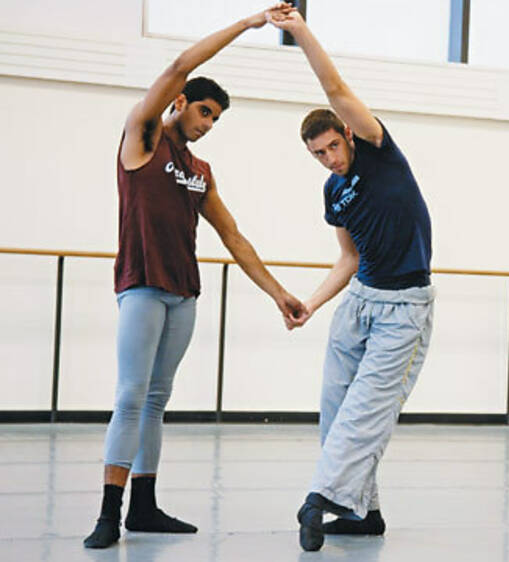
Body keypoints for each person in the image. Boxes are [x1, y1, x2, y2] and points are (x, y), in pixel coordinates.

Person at [83, 3, 305, 549]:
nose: (207, 125)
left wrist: (279, 294)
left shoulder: (201, 172)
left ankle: (144, 507)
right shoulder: (142, 138)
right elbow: (181, 62)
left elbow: (234, 236)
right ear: (180, 103)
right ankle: (108, 514)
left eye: (215, 119)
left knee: (157, 399)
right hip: (140, 286)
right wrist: (249, 25)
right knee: (131, 395)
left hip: (184, 295)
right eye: (203, 112)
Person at [266, 9, 435, 552]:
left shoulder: (379, 152)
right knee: (337, 409)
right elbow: (347, 257)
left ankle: (318, 498)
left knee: (367, 410)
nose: (329, 160)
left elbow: (333, 85)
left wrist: (299, 31)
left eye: (332, 147)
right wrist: (311, 304)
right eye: (318, 156)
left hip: (404, 307)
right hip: (359, 301)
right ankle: (366, 513)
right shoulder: (333, 192)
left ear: (345, 133)